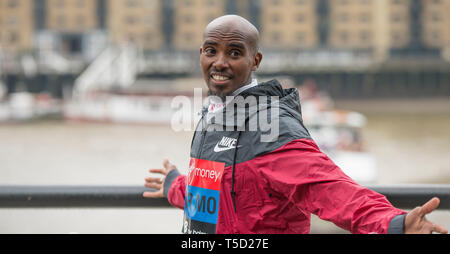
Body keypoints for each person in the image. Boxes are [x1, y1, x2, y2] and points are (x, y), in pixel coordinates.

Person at [143, 15, 448, 234]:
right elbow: (214, 193)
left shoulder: (270, 125)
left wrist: (393, 224)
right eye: (211, 51)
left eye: (234, 53)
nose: (220, 62)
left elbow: (329, 188)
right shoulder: (213, 114)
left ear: (255, 60)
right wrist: (174, 185)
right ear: (201, 55)